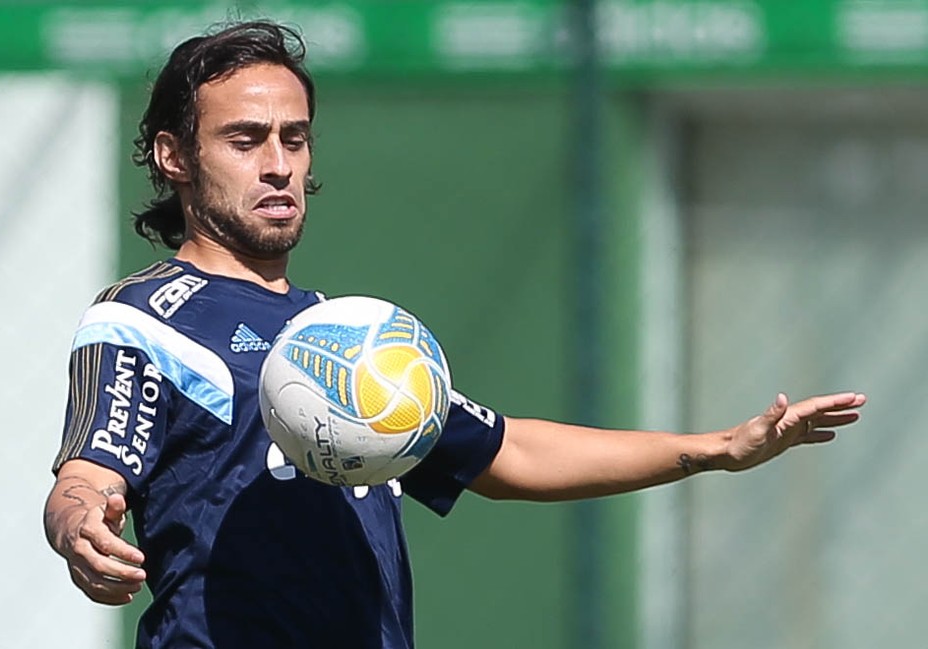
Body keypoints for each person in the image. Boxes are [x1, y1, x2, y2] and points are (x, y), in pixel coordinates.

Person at [43, 19, 866, 649]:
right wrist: (80, 517)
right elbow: (86, 469)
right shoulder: (145, 316)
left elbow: (507, 453)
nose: (279, 164)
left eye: (294, 139)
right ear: (173, 156)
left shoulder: (350, 338)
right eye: (245, 140)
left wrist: (720, 446)